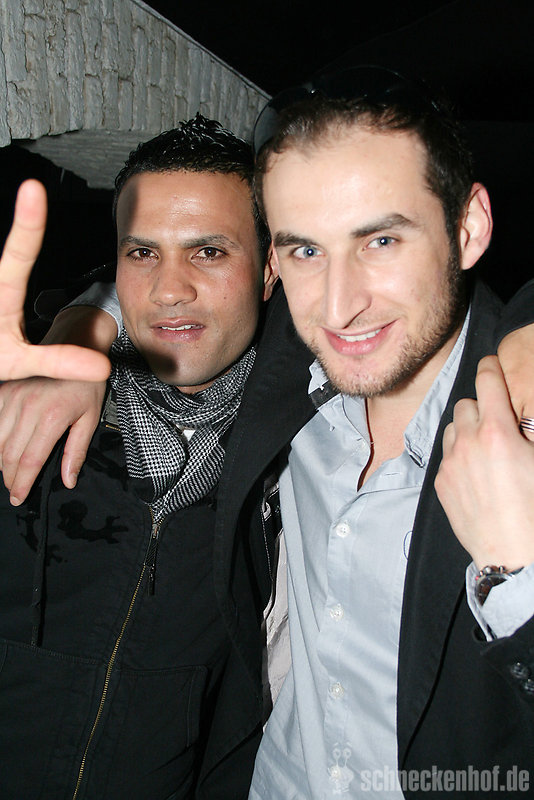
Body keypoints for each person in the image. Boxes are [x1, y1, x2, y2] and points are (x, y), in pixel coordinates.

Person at [1, 68, 534, 799]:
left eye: (380, 240)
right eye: (308, 250)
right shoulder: (285, 389)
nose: (340, 307)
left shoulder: (509, 430)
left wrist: (518, 580)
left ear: (468, 228)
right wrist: (83, 324)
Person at [0, 115, 277, 800]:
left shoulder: (296, 452)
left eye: (208, 251)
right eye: (143, 252)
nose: (169, 288)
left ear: (270, 269)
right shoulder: (26, 404)